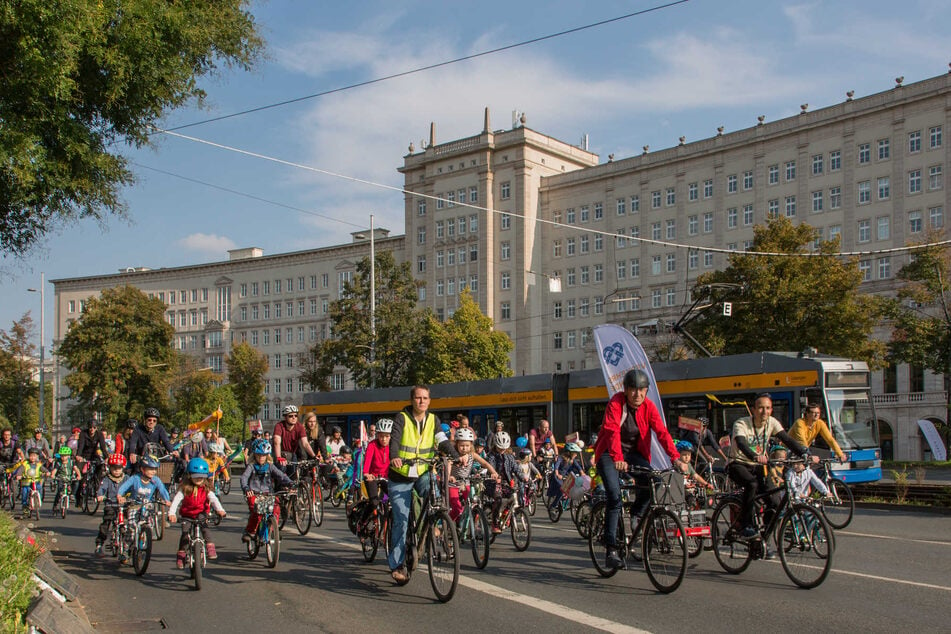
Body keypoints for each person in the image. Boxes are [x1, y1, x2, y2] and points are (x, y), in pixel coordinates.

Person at [593, 368, 680, 570]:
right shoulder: (616, 403)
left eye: (642, 390)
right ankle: (611, 549)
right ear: (625, 389)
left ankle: (636, 514)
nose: (637, 394)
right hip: (609, 453)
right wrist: (617, 458)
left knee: (654, 483)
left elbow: (662, 432)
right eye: (633, 390)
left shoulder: (649, 407)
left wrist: (676, 458)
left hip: (633, 453)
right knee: (614, 497)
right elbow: (612, 430)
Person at [387, 385, 457, 584]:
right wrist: (394, 457)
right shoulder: (402, 418)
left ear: (429, 400)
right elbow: (395, 440)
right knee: (401, 519)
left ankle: (434, 524)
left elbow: (442, 441)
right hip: (400, 475)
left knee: (435, 498)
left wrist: (456, 455)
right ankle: (398, 564)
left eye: (425, 398)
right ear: (412, 400)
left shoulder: (433, 420)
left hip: (422, 472)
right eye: (418, 398)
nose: (421, 401)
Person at [727, 393, 812, 538]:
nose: (764, 412)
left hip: (758, 465)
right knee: (752, 484)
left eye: (768, 408)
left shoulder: (772, 422)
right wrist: (754, 456)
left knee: (775, 502)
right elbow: (741, 443)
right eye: (760, 408)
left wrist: (804, 453)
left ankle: (763, 538)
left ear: (771, 410)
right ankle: (745, 525)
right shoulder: (741, 423)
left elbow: (786, 439)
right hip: (738, 463)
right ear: (753, 410)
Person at [168, 457, 226, 567]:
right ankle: (181, 555)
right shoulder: (185, 488)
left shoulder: (206, 488)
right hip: (187, 515)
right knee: (185, 535)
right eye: (196, 477)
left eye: (201, 477)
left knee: (205, 529)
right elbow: (176, 500)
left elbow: (213, 500)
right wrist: (171, 513)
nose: (199, 479)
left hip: (201, 514)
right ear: (189, 476)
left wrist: (220, 510)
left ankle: (210, 547)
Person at [241, 438, 292, 543]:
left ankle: (272, 530)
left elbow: (281, 475)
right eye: (259, 455)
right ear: (254, 454)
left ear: (267, 455)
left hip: (268, 493)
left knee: (276, 507)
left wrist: (290, 482)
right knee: (257, 512)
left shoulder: (270, 466)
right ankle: (250, 531)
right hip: (253, 493)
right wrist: (246, 489)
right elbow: (244, 478)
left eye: (264, 455)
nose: (261, 458)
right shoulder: (251, 466)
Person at [447, 427, 496, 522]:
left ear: (471, 445)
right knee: (456, 508)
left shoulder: (472, 455)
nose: (464, 448)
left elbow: (484, 463)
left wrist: (494, 472)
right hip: (453, 484)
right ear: (456, 444)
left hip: (466, 484)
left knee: (467, 504)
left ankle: (463, 525)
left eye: (467, 445)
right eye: (461, 445)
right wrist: (449, 476)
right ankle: (448, 524)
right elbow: (449, 464)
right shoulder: (453, 455)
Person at [484, 431, 530, 533]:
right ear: (495, 445)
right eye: (500, 448)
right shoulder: (491, 456)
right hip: (493, 483)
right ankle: (495, 523)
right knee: (499, 499)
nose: (502, 450)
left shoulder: (509, 457)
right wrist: (494, 475)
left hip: (506, 482)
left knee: (512, 497)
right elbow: (490, 465)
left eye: (504, 448)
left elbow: (516, 468)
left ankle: (505, 513)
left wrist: (523, 477)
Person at [95, 453, 129, 556]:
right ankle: (99, 545)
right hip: (111, 504)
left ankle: (128, 546)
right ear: (110, 468)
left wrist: (128, 497)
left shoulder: (127, 478)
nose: (117, 470)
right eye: (114, 468)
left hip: (124, 506)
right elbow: (102, 488)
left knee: (129, 524)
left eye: (119, 468)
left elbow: (132, 489)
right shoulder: (107, 479)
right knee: (106, 524)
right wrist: (100, 495)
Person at [272, 405, 317, 478]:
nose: (294, 418)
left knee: (294, 474)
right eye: (290, 416)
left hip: (292, 454)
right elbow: (277, 442)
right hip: (280, 453)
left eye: (296, 415)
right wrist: (279, 457)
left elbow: (305, 443)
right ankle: (279, 487)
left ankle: (293, 488)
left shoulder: (299, 427)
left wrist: (314, 456)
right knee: (281, 471)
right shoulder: (279, 426)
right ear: (285, 417)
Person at [50, 446, 81, 512]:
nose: (63, 458)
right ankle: (55, 505)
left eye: (65, 456)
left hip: (69, 477)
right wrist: (52, 475)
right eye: (62, 456)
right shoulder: (58, 462)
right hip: (61, 477)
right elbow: (55, 470)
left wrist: (79, 475)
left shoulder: (71, 462)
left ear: (68, 456)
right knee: (59, 491)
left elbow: (76, 468)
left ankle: (72, 494)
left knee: (76, 483)